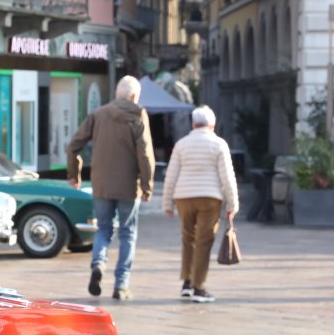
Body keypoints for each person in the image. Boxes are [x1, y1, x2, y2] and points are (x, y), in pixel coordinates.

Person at [67, 75, 155, 300]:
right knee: (127, 233)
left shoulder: (98, 114)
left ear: (117, 94)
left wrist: (75, 174)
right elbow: (145, 154)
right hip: (129, 186)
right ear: (134, 96)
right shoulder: (138, 116)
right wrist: (147, 185)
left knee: (103, 229)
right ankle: (121, 285)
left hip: (102, 184)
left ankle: (98, 263)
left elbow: (73, 145)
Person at [162, 106, 239, 303]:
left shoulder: (181, 144)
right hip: (210, 197)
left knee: (188, 238)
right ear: (212, 124)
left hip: (184, 197)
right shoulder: (219, 144)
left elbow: (171, 175)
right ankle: (199, 287)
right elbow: (227, 177)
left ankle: (187, 283)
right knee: (204, 241)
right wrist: (232, 204)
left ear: (193, 124)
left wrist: (167, 203)